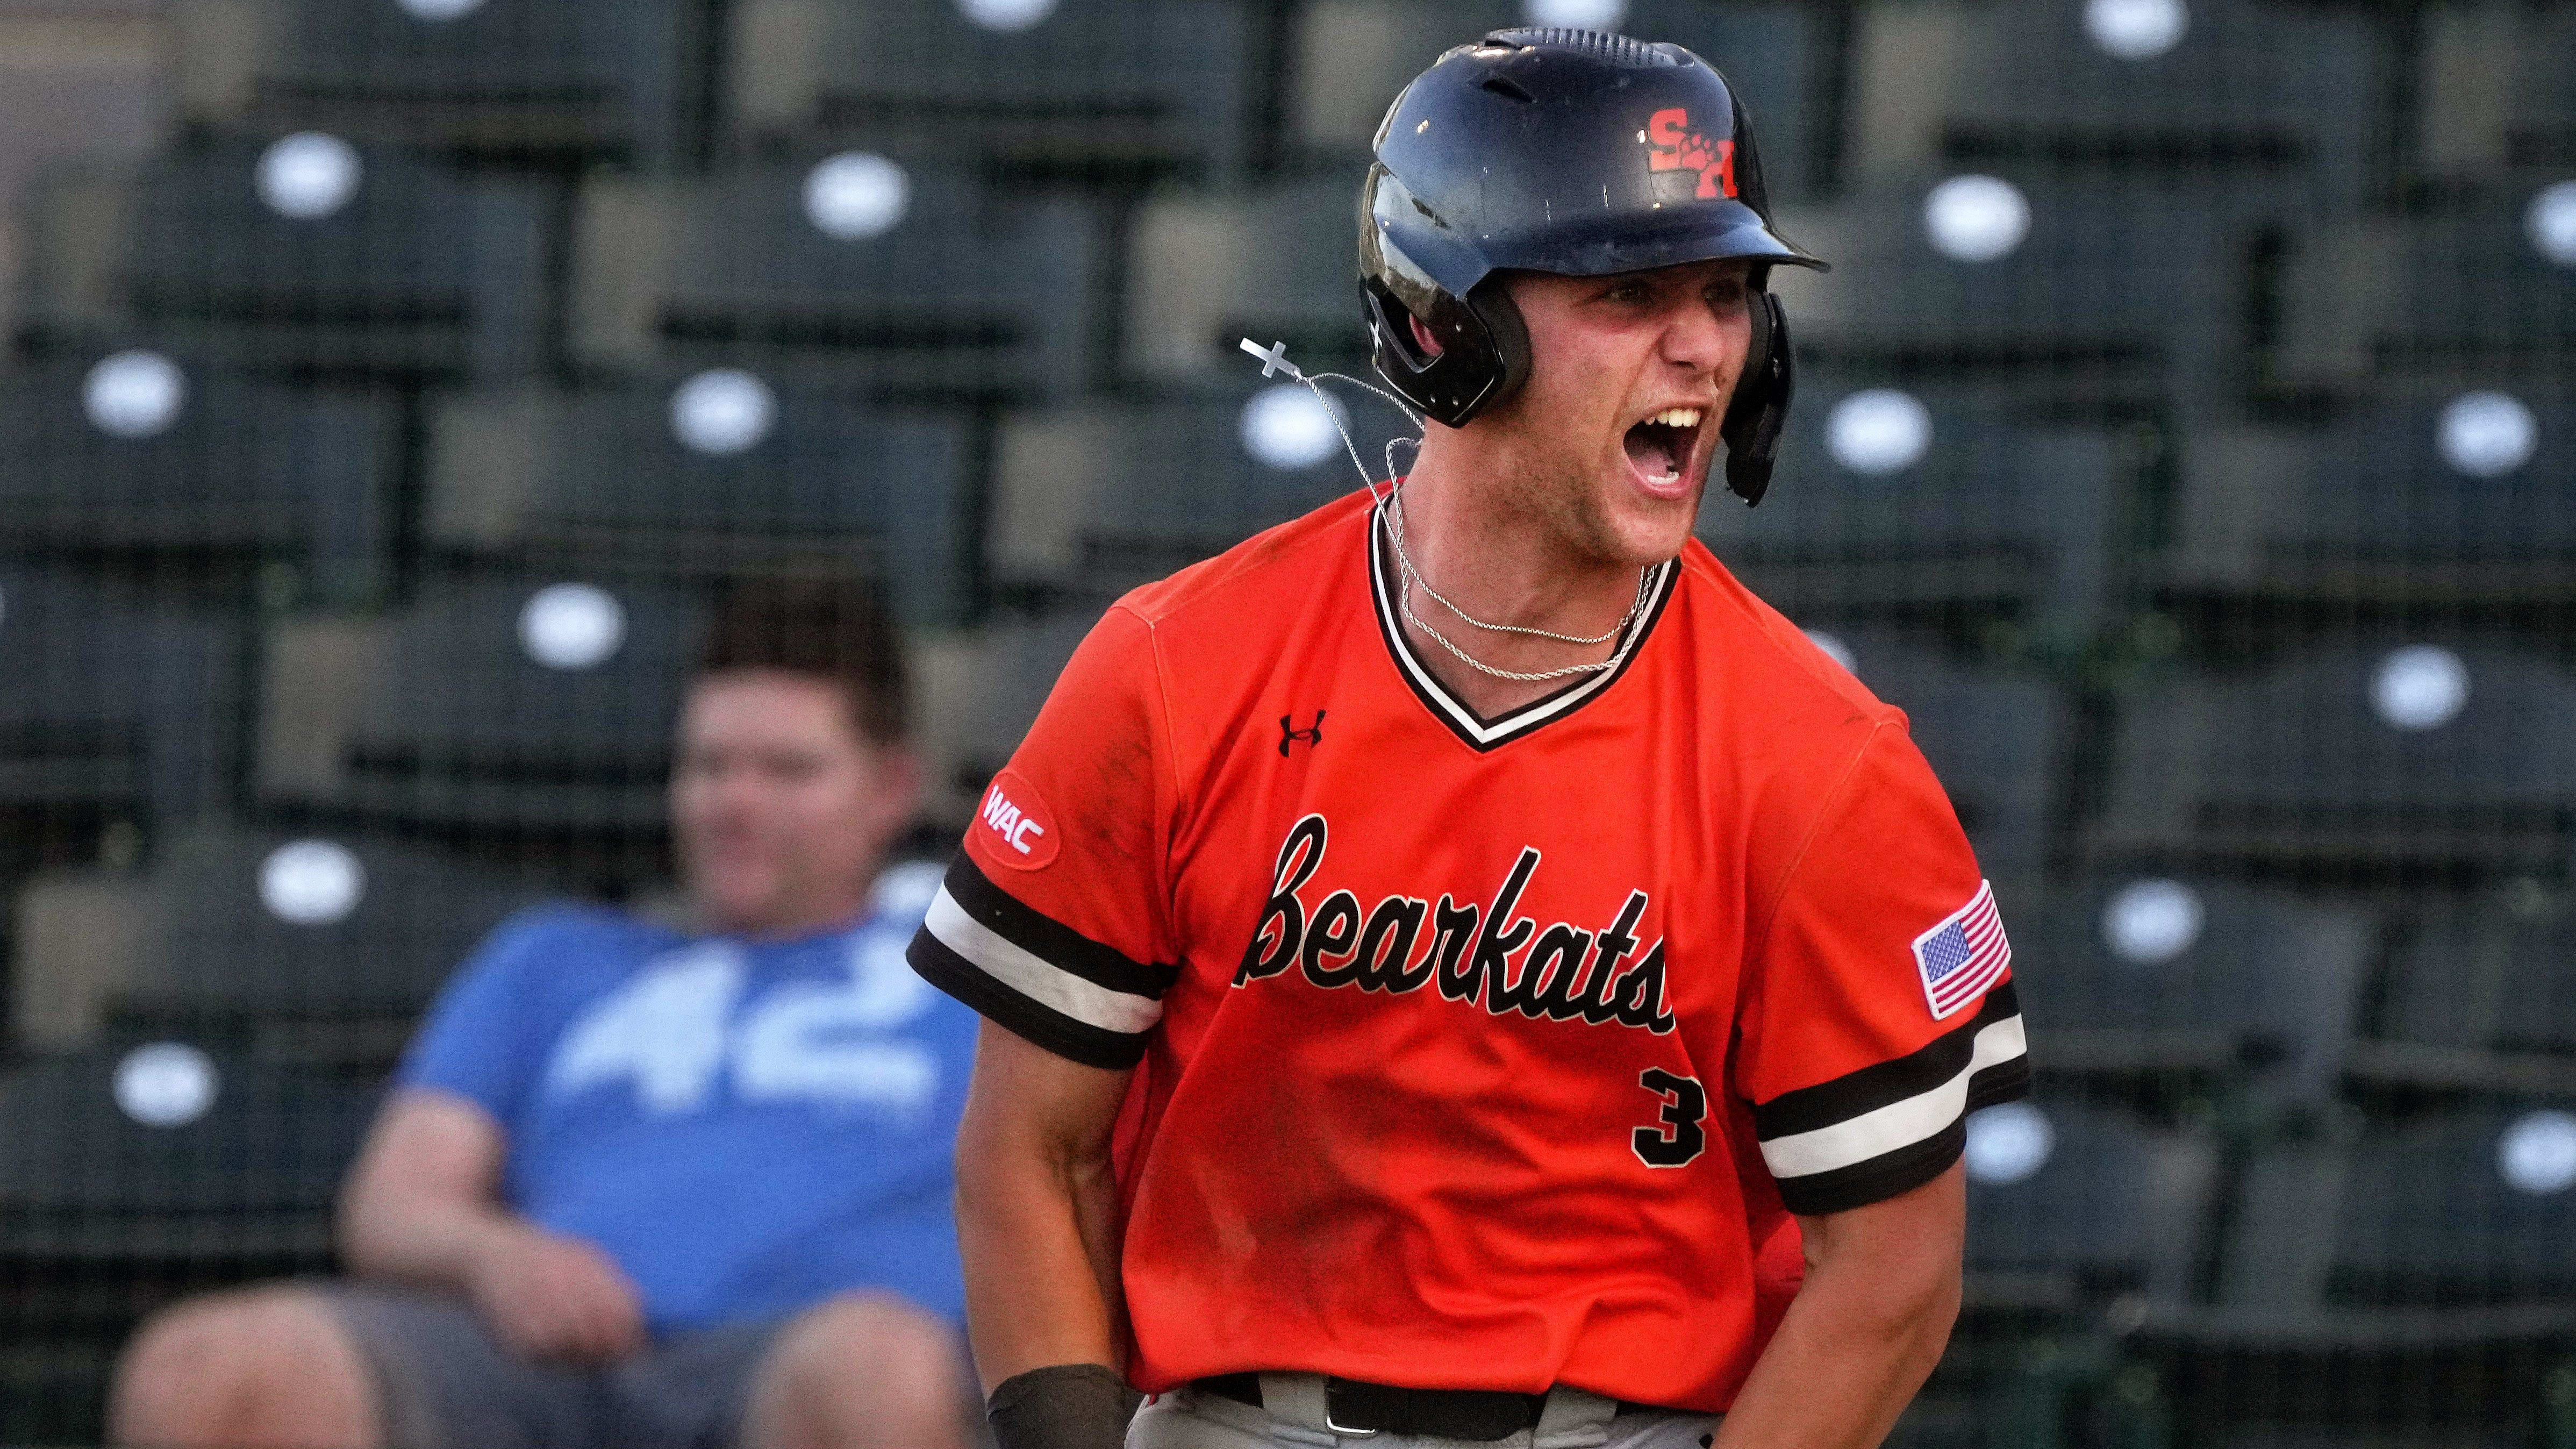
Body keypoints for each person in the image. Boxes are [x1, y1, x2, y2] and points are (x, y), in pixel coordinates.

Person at [908, 26, 2030, 1449]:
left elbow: (1894, 1279)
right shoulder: (1174, 670)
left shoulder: (1824, 763)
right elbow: (1031, 1152)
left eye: (1731, 294)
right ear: (1449, 328)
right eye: (1632, 291)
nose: (1704, 346)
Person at [110, 580, 983, 1449]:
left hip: (795, 1362)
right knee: (205, 1370)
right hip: (535, 1362)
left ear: (890, 789)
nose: (735, 802)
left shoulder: (967, 985)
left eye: (787, 770)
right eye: (709, 766)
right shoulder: (554, 959)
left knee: (877, 1371)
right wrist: (496, 1257)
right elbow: (394, 1201)